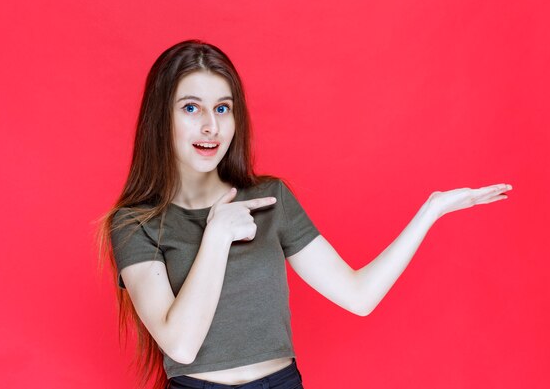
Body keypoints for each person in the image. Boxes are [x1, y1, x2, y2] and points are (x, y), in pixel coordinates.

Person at [97, 40, 512, 389]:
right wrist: (217, 234)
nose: (211, 126)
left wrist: (431, 210)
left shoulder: (270, 199)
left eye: (223, 109)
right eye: (191, 108)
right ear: (161, 119)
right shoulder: (136, 223)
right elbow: (182, 345)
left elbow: (359, 297)